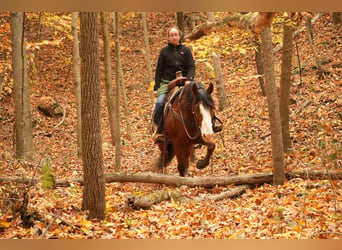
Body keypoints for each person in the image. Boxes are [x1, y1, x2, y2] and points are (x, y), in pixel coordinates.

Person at [152, 26, 195, 142]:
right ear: (168, 37)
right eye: (172, 35)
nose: (174, 37)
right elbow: (159, 70)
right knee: (160, 103)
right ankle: (159, 129)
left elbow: (191, 66)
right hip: (168, 83)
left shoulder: (186, 50)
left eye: (176, 34)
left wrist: (189, 80)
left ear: (179, 36)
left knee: (201, 96)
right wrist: (156, 88)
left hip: (185, 81)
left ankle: (208, 124)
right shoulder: (164, 52)